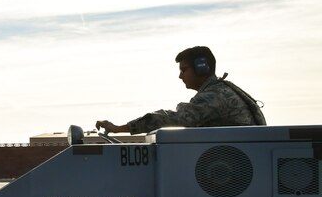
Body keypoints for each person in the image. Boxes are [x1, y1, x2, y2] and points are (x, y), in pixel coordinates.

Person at [96, 46, 265, 134]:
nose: (180, 76)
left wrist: (121, 128)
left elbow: (175, 119)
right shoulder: (222, 90)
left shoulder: (214, 97)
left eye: (184, 70)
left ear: (201, 68)